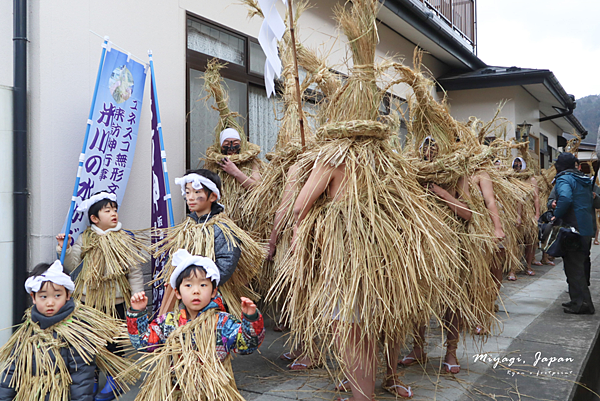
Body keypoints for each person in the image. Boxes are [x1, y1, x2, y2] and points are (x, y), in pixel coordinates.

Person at [126, 249, 264, 401]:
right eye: (189, 285)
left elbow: (247, 345)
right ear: (177, 293)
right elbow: (143, 342)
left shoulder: (223, 323)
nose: (196, 291)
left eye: (203, 285)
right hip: (176, 392)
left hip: (213, 393)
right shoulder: (168, 323)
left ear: (213, 291)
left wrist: (251, 318)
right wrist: (137, 313)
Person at [0, 261, 137, 401]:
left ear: (68, 295)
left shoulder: (76, 333)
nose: (50, 302)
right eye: (43, 296)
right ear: (33, 298)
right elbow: (12, 370)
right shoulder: (27, 331)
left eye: (57, 295)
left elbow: (81, 377)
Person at [56, 192, 145, 401]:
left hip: (116, 302)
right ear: (94, 218)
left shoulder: (124, 238)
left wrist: (137, 295)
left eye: (114, 209)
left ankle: (115, 377)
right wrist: (64, 248)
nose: (114, 213)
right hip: (88, 302)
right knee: (89, 341)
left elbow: (134, 271)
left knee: (114, 342)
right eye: (107, 210)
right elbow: (71, 264)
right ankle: (92, 375)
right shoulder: (86, 238)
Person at [152, 169, 263, 318]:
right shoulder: (187, 226)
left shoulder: (222, 228)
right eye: (188, 192)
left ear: (213, 196)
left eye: (197, 193)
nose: (191, 198)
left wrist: (205, 285)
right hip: (187, 296)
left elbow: (226, 262)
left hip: (214, 297)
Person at [553, 152, 595, 314]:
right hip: (586, 227)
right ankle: (577, 299)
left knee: (574, 267)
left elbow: (565, 197)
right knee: (579, 265)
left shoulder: (564, 178)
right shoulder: (583, 179)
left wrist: (556, 214)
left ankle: (583, 303)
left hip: (572, 229)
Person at [507, 157, 540, 280]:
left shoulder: (531, 179)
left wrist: (537, 214)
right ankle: (512, 270)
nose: (517, 166)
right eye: (515, 164)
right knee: (514, 242)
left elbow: (536, 198)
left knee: (530, 241)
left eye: (519, 164)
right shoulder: (511, 179)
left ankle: (529, 266)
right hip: (513, 212)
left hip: (528, 212)